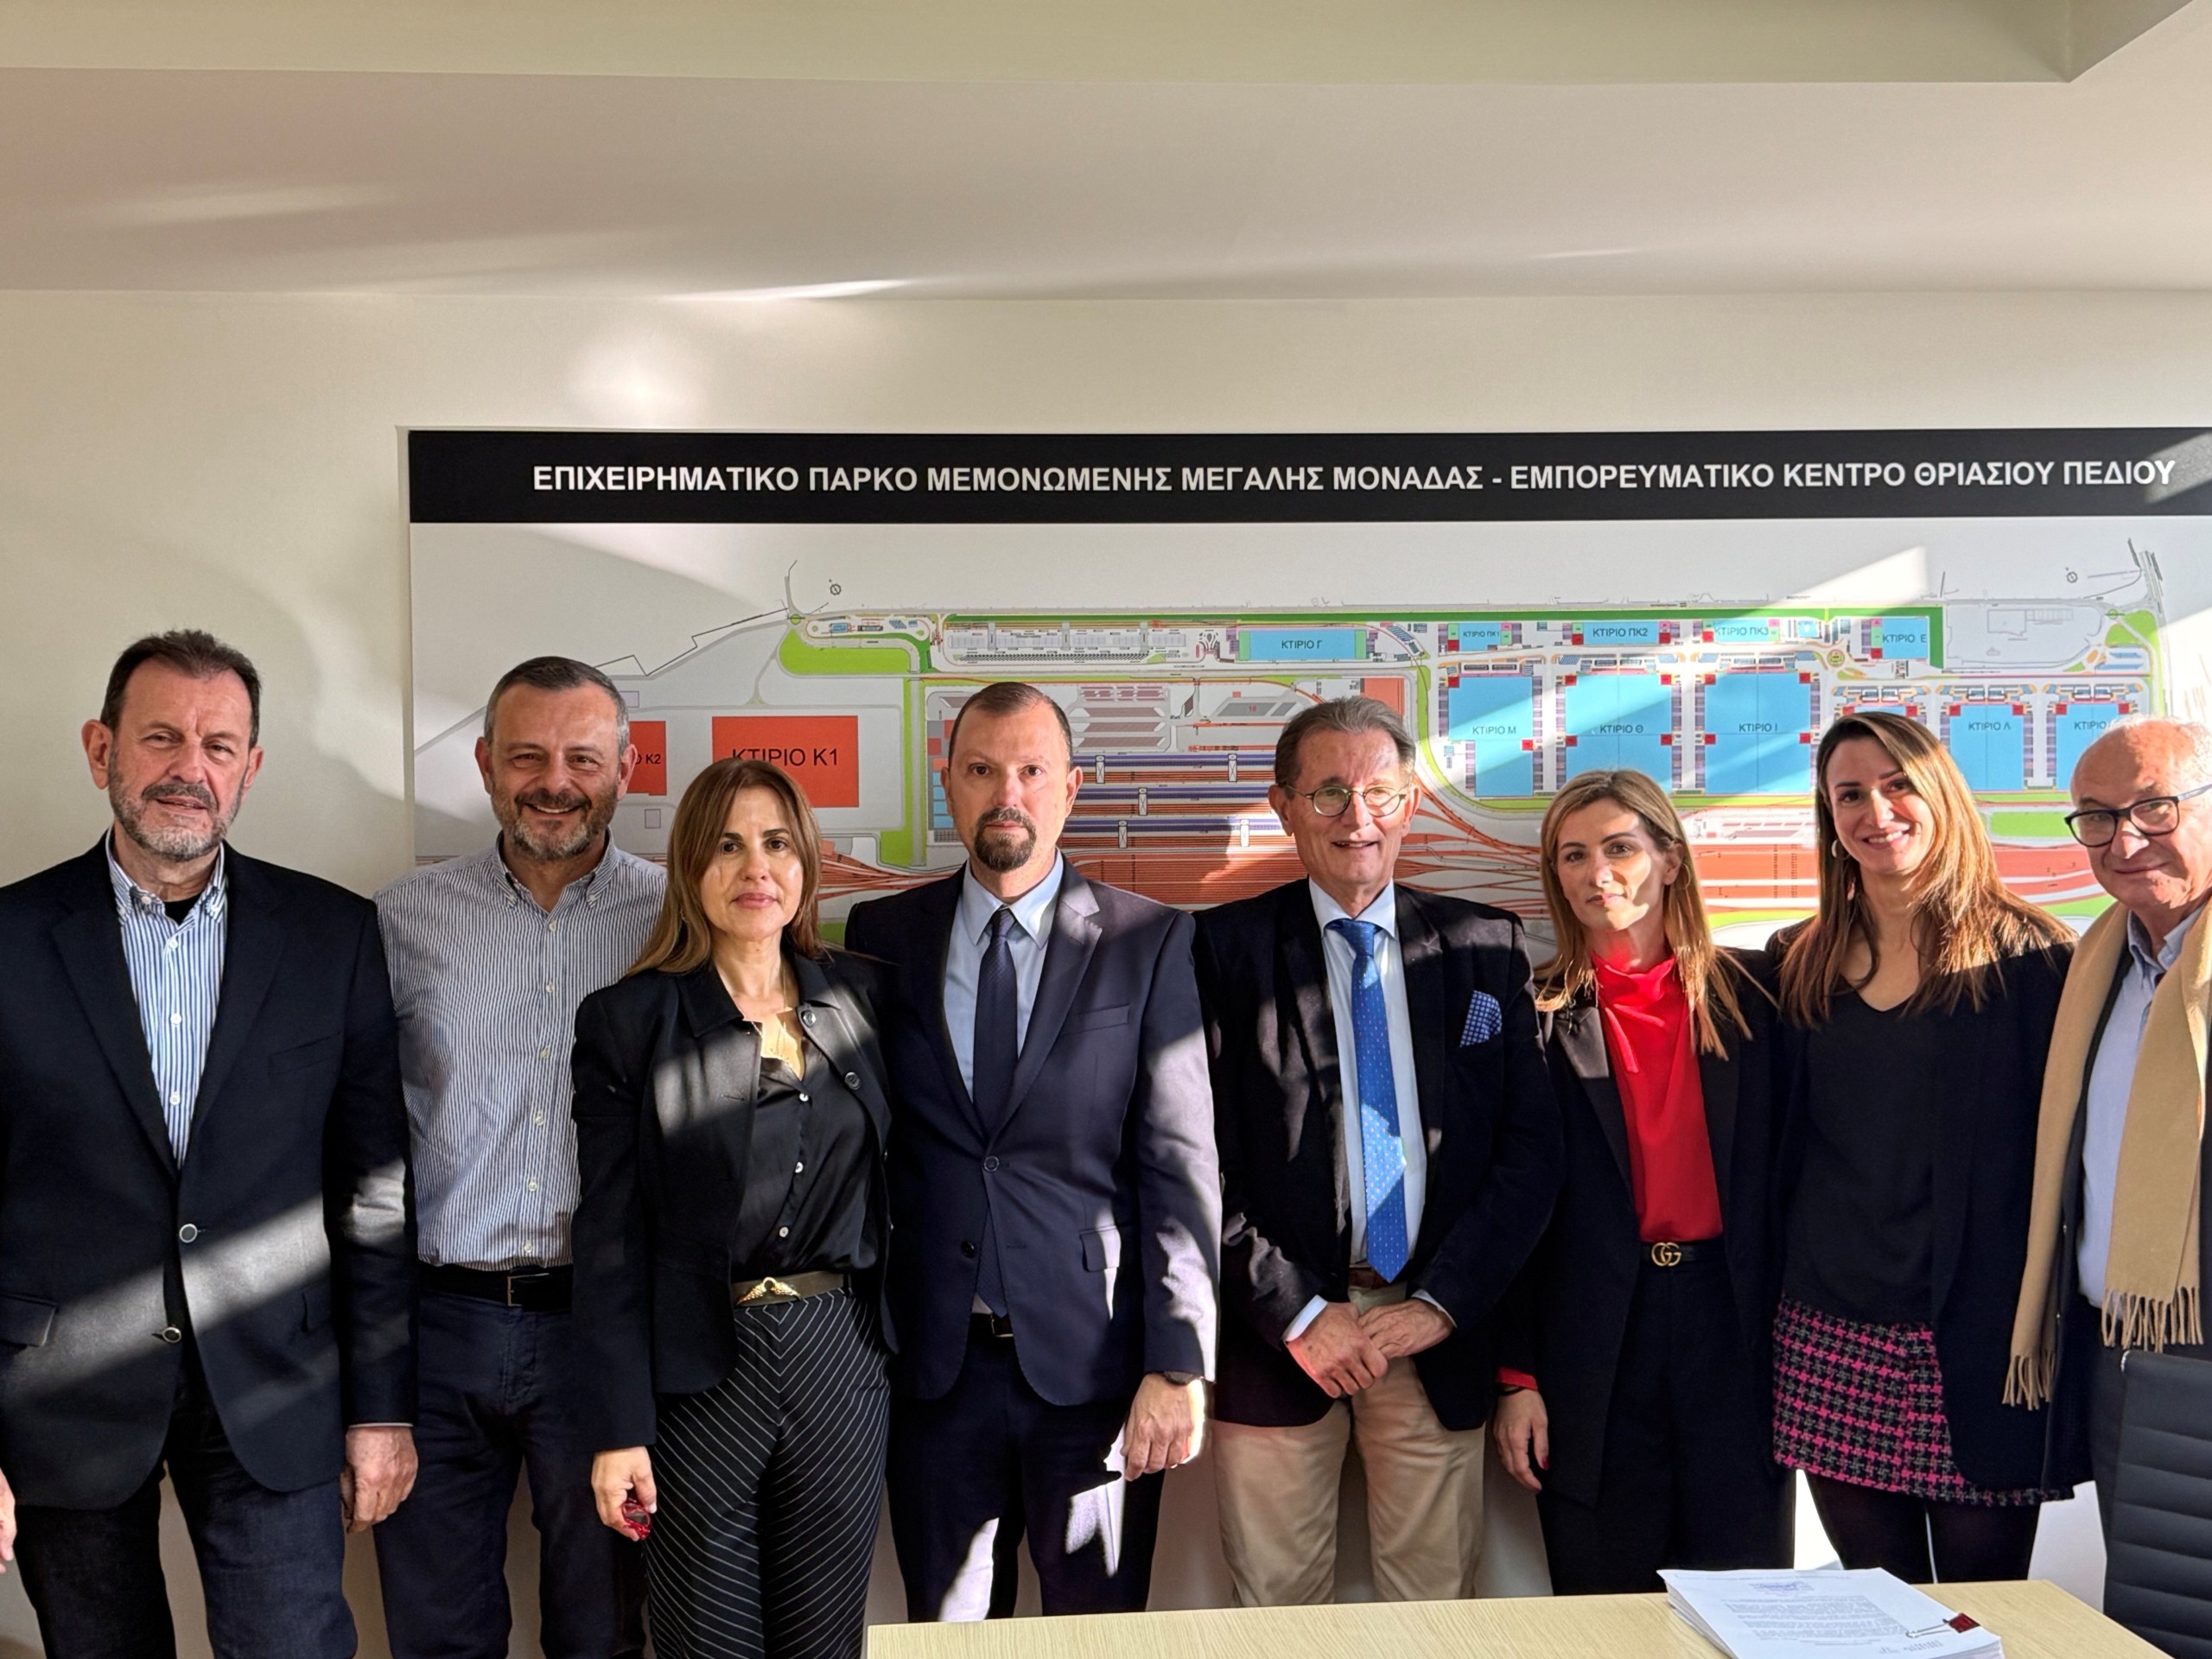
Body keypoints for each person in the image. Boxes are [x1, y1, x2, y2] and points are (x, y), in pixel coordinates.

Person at [0, 629, 416, 1658]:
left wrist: (382, 1410)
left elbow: (372, 1192)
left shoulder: (332, 937)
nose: (190, 767)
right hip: (62, 1397)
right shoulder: (10, 939)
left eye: (219, 745)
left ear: (250, 767)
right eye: (162, 737)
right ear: (101, 749)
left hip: (277, 1383)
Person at [843, 680, 1220, 1621]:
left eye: (1030, 771)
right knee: (948, 1634)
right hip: (934, 1371)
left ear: (1070, 787)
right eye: (980, 770)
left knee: (1095, 1634)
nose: (1005, 793)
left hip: (1096, 1372)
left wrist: (1178, 1364)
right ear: (949, 783)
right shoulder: (882, 937)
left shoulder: (1148, 941)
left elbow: (1179, 1169)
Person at [1193, 695, 1560, 1607]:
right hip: (1277, 1338)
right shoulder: (1218, 951)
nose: (1356, 817)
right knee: (1275, 1613)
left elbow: (1529, 1155)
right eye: (1327, 793)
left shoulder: (1485, 946)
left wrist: (1442, 1303)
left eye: (1379, 792)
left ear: (1410, 804)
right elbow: (1192, 1161)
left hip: (1433, 1333)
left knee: (1434, 1610)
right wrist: (1296, 1312)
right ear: (1284, 808)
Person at [572, 758, 894, 1659]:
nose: (756, 868)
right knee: (704, 1638)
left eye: (776, 843)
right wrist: (618, 1430)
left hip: (841, 1356)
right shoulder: (629, 1020)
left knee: (826, 1641)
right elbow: (609, 1240)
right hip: (697, 1371)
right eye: (727, 846)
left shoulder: (865, 997)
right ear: (690, 867)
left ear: (806, 864)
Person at [372, 657, 660, 1659]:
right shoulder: (401, 920)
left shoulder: (675, 918)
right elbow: (358, 1131)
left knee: (602, 1630)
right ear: (487, 764)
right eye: (528, 756)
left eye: (582, 757)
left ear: (625, 767)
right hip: (436, 1328)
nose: (554, 782)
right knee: (437, 1634)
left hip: (605, 1333)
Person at [1772, 709, 2075, 1583]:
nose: (1877, 811)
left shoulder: (2032, 959)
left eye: (1898, 784)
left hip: (1978, 1335)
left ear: (1942, 793)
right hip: (1830, 1330)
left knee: (1987, 1607)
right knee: (1875, 1605)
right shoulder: (1797, 960)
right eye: (1850, 794)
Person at [1491, 769, 1791, 1592]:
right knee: (1604, 1602)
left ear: (1670, 860)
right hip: (1590, 1345)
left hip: (1733, 1330)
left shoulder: (1760, 996)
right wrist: (1517, 1378)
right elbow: (1509, 1207)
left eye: (1620, 848)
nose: (1598, 874)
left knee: (1748, 1597)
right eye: (1573, 855)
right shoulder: (1531, 1015)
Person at [2009, 715, 2212, 1536]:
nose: (2125, 841)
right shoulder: (2094, 967)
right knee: (2144, 1592)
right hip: (2118, 1354)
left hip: (2199, 1349)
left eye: (2154, 808)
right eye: (2098, 817)